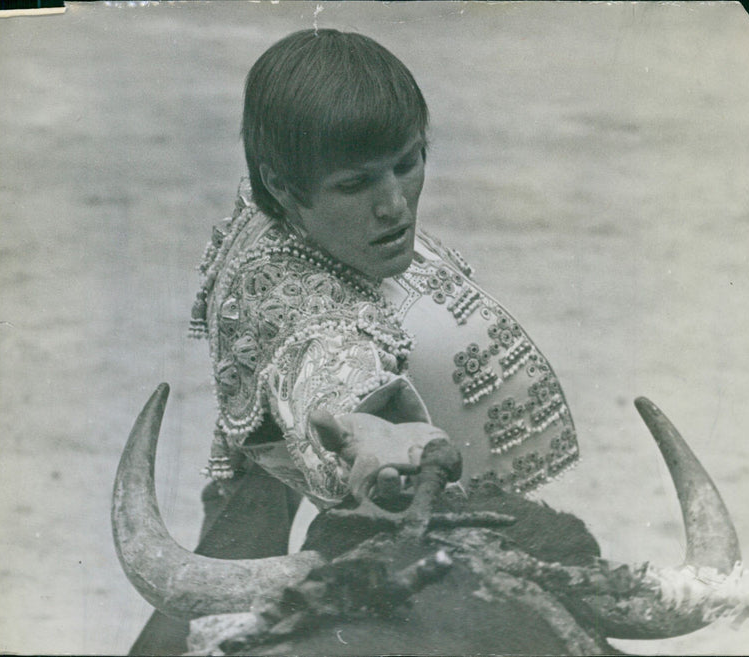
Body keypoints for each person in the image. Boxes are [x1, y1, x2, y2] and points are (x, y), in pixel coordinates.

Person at [130, 28, 579, 655]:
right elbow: (326, 361)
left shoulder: (287, 204)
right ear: (283, 187)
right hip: (376, 492)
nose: (394, 206)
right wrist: (376, 433)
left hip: (269, 484)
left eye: (408, 162)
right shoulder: (305, 307)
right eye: (355, 184)